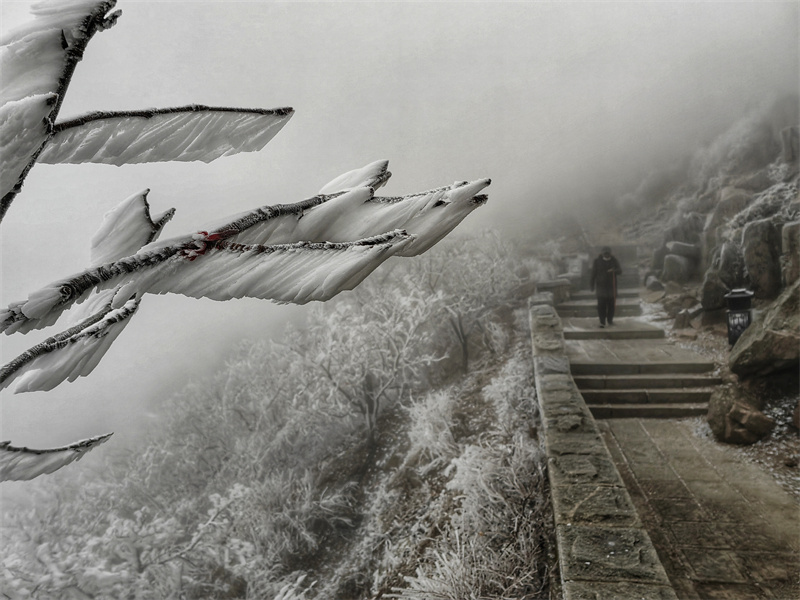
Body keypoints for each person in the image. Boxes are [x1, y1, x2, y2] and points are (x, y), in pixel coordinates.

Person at [590, 246, 622, 328]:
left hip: (611, 287)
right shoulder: (597, 261)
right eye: (605, 254)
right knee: (601, 306)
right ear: (602, 254)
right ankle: (602, 322)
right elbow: (593, 274)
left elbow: (620, 271)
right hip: (601, 288)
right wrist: (592, 285)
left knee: (611, 306)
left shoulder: (614, 260)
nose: (607, 256)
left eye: (608, 254)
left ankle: (610, 320)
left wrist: (614, 270)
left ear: (610, 254)